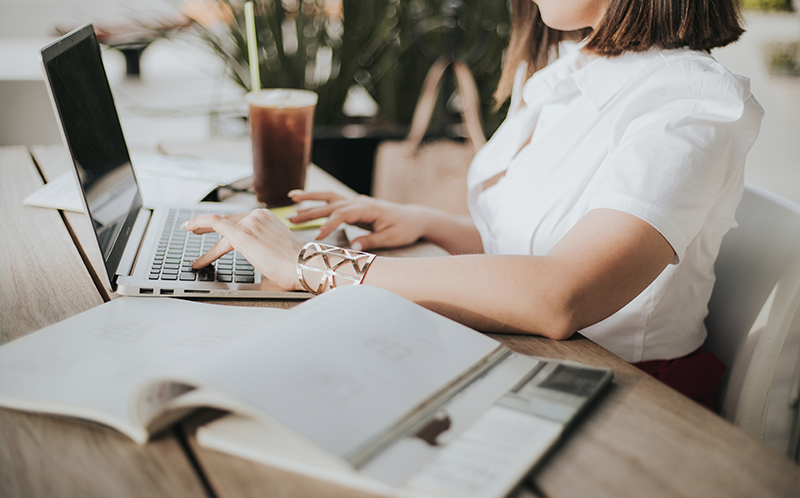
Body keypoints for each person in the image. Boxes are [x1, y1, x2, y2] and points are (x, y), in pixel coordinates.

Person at [183, 0, 763, 410]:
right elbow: (530, 249)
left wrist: (312, 266)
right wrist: (423, 222)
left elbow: (560, 294)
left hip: (622, 400)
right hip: (515, 356)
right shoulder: (568, 71)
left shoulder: (691, 103)